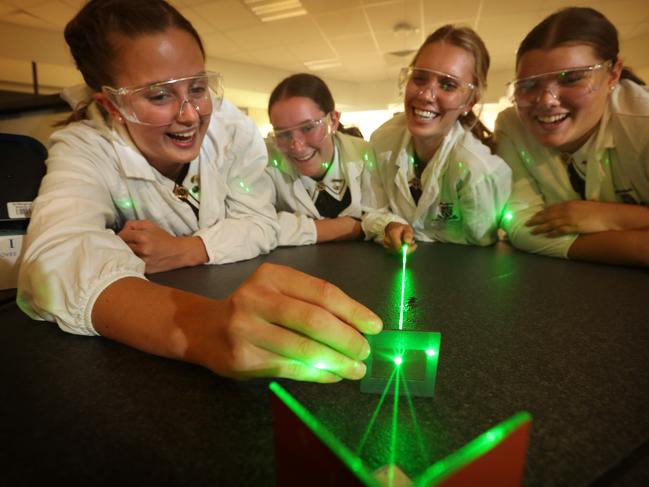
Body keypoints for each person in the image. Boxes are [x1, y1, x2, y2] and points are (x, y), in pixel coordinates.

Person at [17, 0, 382, 383]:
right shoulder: (84, 148)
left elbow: (259, 222)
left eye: (197, 88)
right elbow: (54, 259)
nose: (190, 115)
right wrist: (200, 329)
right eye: (159, 96)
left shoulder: (231, 129)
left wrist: (188, 248)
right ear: (113, 105)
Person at [495, 7, 649, 267]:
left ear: (613, 74)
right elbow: (521, 226)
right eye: (529, 85)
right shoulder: (512, 126)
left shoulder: (642, 125)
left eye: (571, 79)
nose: (546, 101)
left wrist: (609, 216)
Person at [362, 25, 512, 255]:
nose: (425, 95)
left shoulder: (478, 170)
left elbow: (480, 244)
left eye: (448, 85)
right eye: (420, 78)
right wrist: (389, 226)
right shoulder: (384, 140)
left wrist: (413, 231)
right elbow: (372, 209)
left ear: (469, 102)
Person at [266, 73, 371, 246]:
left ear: (334, 120)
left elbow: (385, 218)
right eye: (283, 134)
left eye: (308, 128)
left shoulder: (365, 155)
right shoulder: (265, 160)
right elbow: (256, 226)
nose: (297, 147)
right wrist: (350, 227)